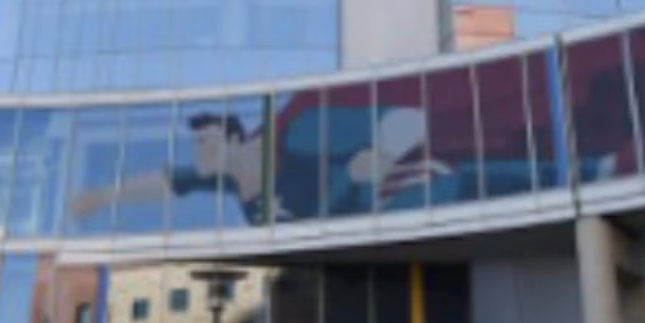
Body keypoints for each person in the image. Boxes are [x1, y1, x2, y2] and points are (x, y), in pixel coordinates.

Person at [70, 92, 612, 226]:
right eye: (195, 145)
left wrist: (377, 154)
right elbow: (168, 182)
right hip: (352, 248)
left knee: (443, 188)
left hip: (402, 198)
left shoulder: (300, 135)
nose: (198, 153)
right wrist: (103, 197)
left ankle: (586, 173)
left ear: (237, 137)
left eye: (206, 142)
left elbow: (408, 118)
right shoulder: (230, 182)